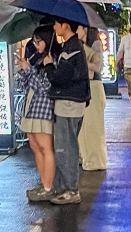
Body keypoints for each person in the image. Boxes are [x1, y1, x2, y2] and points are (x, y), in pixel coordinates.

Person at [38, 17, 90, 205]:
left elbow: (61, 78)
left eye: (56, 24)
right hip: (71, 103)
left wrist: (50, 65)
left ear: (65, 25)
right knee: (65, 146)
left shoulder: (72, 48)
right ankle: (62, 187)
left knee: (65, 148)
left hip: (69, 104)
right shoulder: (70, 46)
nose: (54, 27)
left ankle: (71, 190)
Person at [19, 26, 56, 201]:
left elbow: (44, 87)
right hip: (31, 106)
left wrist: (28, 70)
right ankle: (43, 183)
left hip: (42, 107)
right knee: (35, 146)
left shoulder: (51, 59)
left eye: (38, 41)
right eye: (34, 41)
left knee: (45, 147)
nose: (36, 45)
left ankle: (48, 186)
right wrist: (25, 69)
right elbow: (29, 84)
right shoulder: (39, 58)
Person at [77, 25, 107, 172]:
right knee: (84, 127)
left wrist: (80, 61)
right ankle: (85, 157)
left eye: (77, 28)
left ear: (85, 29)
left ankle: (95, 161)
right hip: (84, 86)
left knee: (93, 127)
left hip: (94, 87)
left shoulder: (95, 44)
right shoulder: (78, 44)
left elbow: (97, 66)